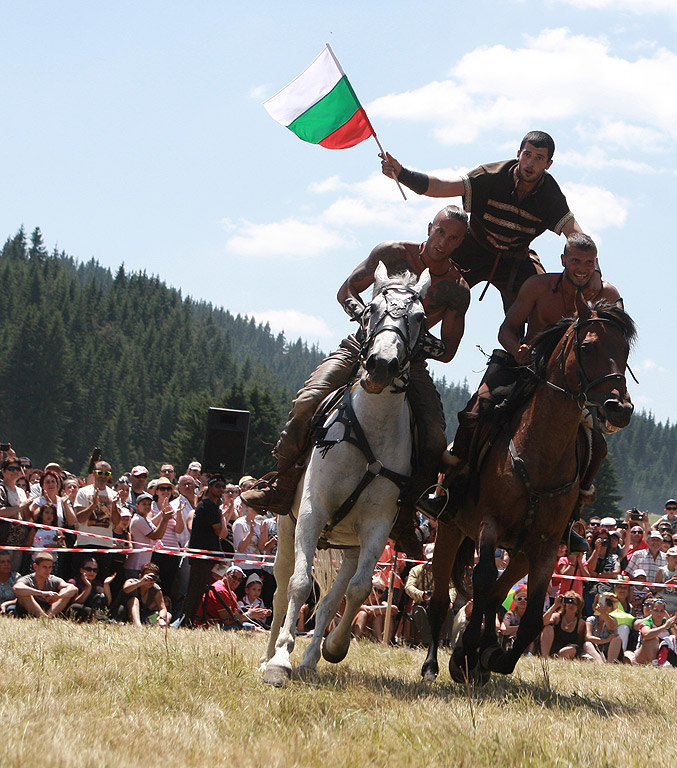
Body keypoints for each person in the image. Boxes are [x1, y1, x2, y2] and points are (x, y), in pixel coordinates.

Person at [242, 207, 471, 553]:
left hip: (410, 363)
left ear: (460, 242)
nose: (443, 242)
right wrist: (371, 320)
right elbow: (346, 291)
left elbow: (449, 350)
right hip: (360, 347)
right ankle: (283, 481)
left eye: (453, 238)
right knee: (306, 402)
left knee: (434, 438)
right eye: (440, 232)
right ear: (430, 227)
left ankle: (406, 515)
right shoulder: (392, 253)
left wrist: (409, 338)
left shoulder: (456, 289)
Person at [429, 232, 621, 535]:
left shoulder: (608, 296)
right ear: (563, 261)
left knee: (596, 446)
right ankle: (450, 494)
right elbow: (507, 329)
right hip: (524, 367)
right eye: (575, 261)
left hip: (571, 384)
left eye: (588, 262)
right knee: (476, 412)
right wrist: (517, 349)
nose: (581, 268)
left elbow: (615, 340)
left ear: (595, 263)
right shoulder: (537, 286)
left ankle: (569, 520)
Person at [380, 131, 587, 311]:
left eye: (539, 158)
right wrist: (403, 174)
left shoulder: (551, 195)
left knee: (540, 304)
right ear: (518, 155)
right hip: (473, 248)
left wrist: (591, 270)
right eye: (527, 155)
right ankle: (400, 343)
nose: (530, 163)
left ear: (548, 164)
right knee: (429, 295)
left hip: (514, 259)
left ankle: (519, 355)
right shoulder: (491, 176)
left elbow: (575, 233)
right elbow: (442, 186)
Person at [180, 476, 229, 627]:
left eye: (223, 486)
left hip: (206, 555)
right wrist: (221, 514)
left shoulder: (208, 505)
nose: (221, 489)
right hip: (202, 555)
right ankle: (185, 622)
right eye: (218, 486)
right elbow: (220, 531)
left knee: (199, 589)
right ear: (210, 487)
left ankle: (190, 620)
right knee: (195, 590)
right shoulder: (209, 506)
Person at [12, 551, 76, 617]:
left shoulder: (53, 579)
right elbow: (17, 588)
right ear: (35, 567)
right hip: (27, 610)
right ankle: (43, 617)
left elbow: (73, 588)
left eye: (50, 567)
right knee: (24, 594)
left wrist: (59, 596)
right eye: (44, 567)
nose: (48, 570)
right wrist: (42, 593)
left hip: (48, 609)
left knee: (65, 592)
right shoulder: (27, 579)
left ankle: (48, 617)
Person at [120, 562, 171, 626]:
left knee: (168, 615)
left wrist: (161, 618)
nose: (149, 580)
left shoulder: (156, 589)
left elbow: (162, 608)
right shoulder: (132, 582)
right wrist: (141, 582)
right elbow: (126, 589)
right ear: (140, 576)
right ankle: (138, 626)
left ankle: (156, 630)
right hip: (125, 613)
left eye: (152, 577)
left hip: (144, 615)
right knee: (134, 600)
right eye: (147, 575)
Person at [540, 591, 587, 659]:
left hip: (569, 649)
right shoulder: (557, 617)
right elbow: (544, 622)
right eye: (569, 602)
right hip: (553, 646)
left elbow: (580, 641)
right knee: (548, 628)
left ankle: (557, 658)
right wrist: (555, 605)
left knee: (568, 650)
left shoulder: (580, 623)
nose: (571, 605)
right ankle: (545, 658)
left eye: (575, 604)